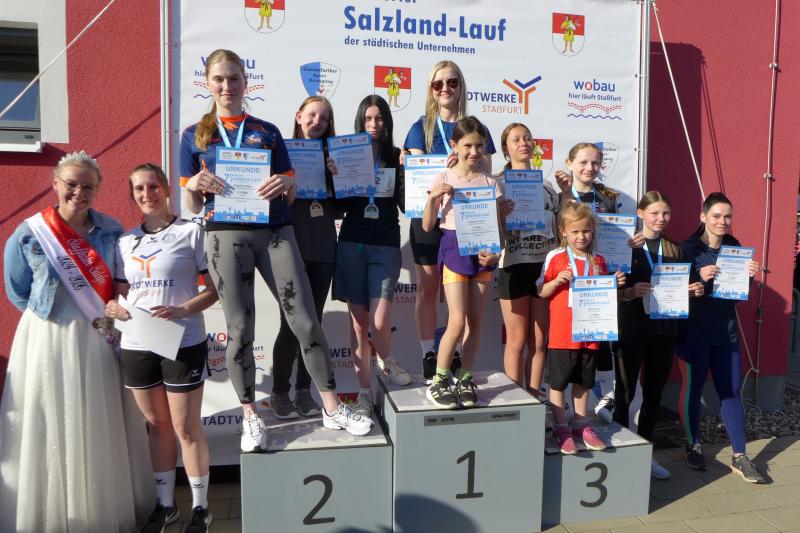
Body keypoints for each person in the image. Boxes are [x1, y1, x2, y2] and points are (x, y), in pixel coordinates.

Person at [180, 49, 372, 453]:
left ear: (245, 82)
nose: (227, 86)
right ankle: (251, 416)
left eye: (234, 78)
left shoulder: (266, 132)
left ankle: (332, 407)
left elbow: (291, 193)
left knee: (305, 318)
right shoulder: (193, 135)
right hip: (225, 235)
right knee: (239, 329)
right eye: (219, 79)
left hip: (273, 231)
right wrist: (193, 186)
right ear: (208, 84)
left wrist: (287, 184)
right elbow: (192, 205)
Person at [0, 151, 152, 531]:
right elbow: (18, 291)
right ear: (56, 184)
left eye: (88, 186)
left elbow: (121, 282)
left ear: (97, 190)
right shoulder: (30, 233)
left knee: (98, 419)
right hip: (47, 338)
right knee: (48, 418)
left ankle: (99, 509)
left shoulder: (111, 230)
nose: (79, 193)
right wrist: (53, 318)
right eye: (71, 184)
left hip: (97, 335)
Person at [107, 164, 217, 531]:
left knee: (186, 427)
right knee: (157, 425)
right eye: (139, 189)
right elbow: (120, 294)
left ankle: (201, 508)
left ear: (167, 188)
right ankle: (166, 505)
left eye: (153, 186)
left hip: (182, 340)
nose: (146, 194)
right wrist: (114, 308)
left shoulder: (191, 232)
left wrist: (182, 310)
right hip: (137, 341)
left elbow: (214, 290)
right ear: (133, 195)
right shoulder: (124, 241)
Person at [404, 60, 496, 382]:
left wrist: (467, 165)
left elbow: (487, 175)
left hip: (468, 220)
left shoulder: (476, 128)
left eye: (452, 82)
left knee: (465, 299)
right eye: (438, 83)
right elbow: (419, 180)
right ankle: (429, 353)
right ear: (430, 90)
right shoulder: (420, 128)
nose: (445, 88)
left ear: (461, 86)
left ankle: (457, 355)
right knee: (428, 289)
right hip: (429, 218)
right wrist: (444, 170)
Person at [615, 191, 705, 481]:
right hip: (631, 328)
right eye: (654, 213)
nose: (661, 218)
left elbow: (689, 283)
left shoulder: (675, 249)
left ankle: (645, 455)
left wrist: (695, 289)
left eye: (665, 213)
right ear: (640, 214)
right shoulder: (626, 246)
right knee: (625, 393)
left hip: (664, 330)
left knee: (654, 394)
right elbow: (611, 287)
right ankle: (619, 454)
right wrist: (629, 292)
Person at [422, 116, 509, 409]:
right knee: (456, 321)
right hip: (454, 250)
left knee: (475, 322)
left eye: (479, 146)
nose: (474, 152)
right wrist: (433, 199)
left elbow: (499, 230)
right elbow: (427, 226)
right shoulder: (443, 177)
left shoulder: (491, 183)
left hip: (483, 253)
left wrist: (496, 253)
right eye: (468, 145)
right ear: (455, 145)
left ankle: (464, 377)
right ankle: (439, 379)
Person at [677, 192, 765, 483]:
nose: (722, 221)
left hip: (725, 332)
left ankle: (740, 456)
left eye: (727, 216)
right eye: (716, 216)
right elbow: (672, 293)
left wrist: (748, 277)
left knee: (730, 392)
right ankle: (693, 445)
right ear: (703, 217)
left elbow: (734, 295)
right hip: (693, 333)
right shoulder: (687, 249)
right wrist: (698, 278)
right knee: (694, 389)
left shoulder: (734, 247)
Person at [332, 95, 411, 416]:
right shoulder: (349, 154)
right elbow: (338, 208)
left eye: (379, 118)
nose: (373, 124)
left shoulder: (395, 155)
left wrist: (407, 172)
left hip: (386, 243)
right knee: (358, 323)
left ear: (387, 122)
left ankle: (386, 360)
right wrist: (335, 177)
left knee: (379, 320)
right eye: (368, 119)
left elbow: (406, 204)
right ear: (360, 122)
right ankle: (363, 392)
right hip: (352, 242)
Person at [556, 142, 643, 423]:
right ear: (570, 163)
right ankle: (560, 402)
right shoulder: (560, 194)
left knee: (601, 336)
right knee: (566, 344)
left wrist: (629, 242)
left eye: (595, 163)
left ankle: (606, 395)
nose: (589, 168)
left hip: (600, 276)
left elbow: (613, 237)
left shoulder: (607, 198)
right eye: (583, 162)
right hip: (569, 277)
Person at [537, 201, 625, 454]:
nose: (581, 236)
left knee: (584, 383)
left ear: (593, 230)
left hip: (590, 334)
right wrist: (556, 282)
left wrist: (613, 283)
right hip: (562, 335)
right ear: (563, 231)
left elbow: (604, 297)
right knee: (557, 384)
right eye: (575, 231)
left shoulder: (599, 260)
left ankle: (581, 425)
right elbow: (541, 291)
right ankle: (561, 427)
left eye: (586, 231)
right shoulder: (556, 257)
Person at [270, 96, 336, 421]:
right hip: (291, 245)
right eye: (311, 115)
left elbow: (342, 207)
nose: (316, 122)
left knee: (314, 324)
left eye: (323, 118)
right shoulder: (281, 154)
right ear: (299, 116)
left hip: (323, 246)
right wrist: (290, 188)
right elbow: (273, 206)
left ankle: (304, 390)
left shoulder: (333, 156)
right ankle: (280, 391)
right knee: (291, 323)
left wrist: (336, 178)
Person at [497, 123, 560, 401]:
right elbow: (487, 231)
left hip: (542, 267)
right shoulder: (497, 184)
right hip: (513, 265)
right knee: (517, 340)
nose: (523, 143)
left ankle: (535, 400)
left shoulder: (547, 186)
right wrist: (500, 216)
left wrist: (566, 193)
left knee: (539, 341)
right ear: (505, 148)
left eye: (527, 138)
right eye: (516, 139)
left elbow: (559, 229)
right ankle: (516, 402)